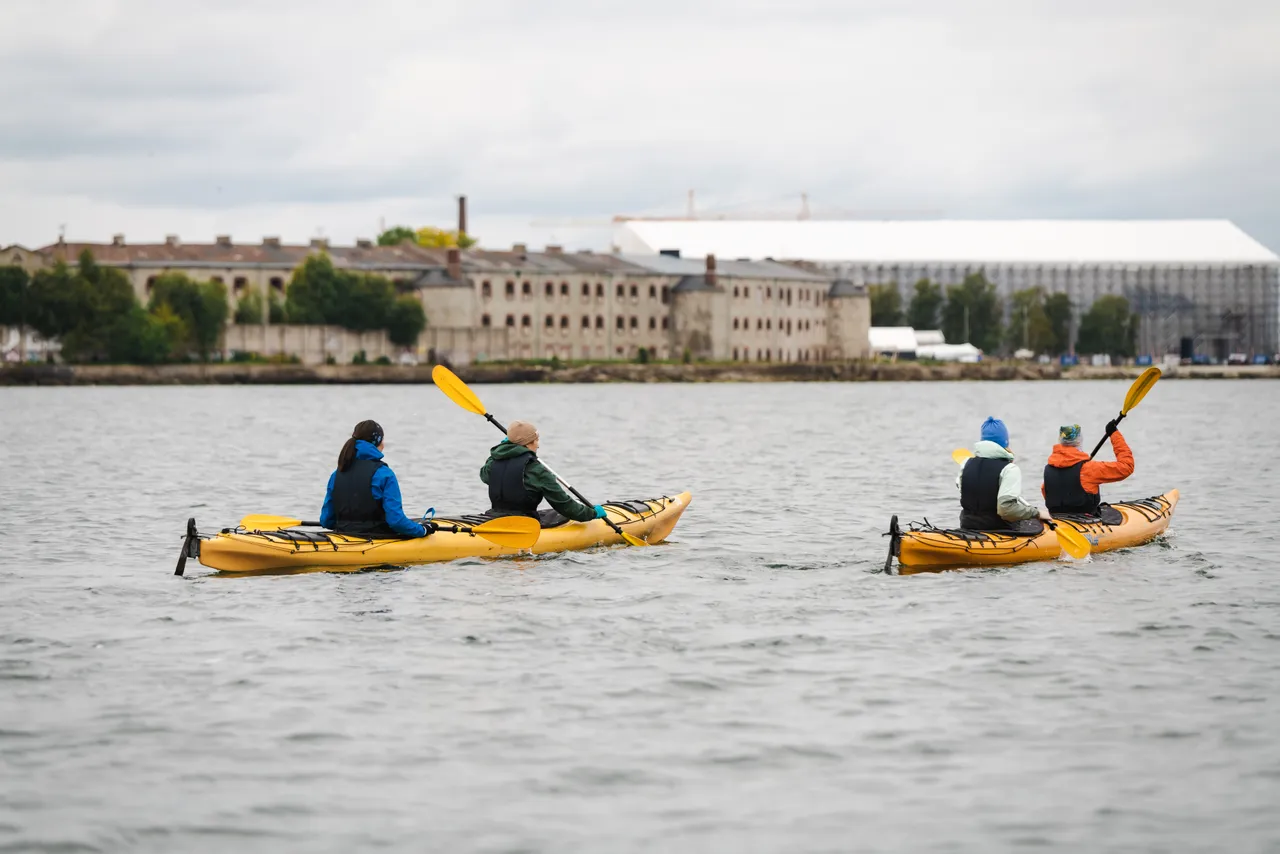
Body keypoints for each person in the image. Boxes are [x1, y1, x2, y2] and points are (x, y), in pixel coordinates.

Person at [480, 420, 607, 524]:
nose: (538, 445)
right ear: (528, 444)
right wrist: (592, 513)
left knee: (550, 513)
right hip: (525, 524)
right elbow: (566, 507)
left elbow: (484, 476)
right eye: (536, 440)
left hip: (494, 518)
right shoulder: (537, 470)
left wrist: (501, 450)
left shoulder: (493, 463)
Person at [320, 419, 430, 538]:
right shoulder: (384, 474)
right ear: (378, 442)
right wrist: (422, 530)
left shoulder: (337, 474)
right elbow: (396, 521)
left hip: (342, 537)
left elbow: (326, 521)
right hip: (377, 539)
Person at [956, 416, 1052, 530]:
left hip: (967, 525)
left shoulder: (966, 464)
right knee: (1031, 521)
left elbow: (965, 489)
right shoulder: (1009, 469)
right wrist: (1037, 513)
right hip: (999, 529)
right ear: (1005, 442)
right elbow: (1006, 510)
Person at [1041, 421, 1134, 516]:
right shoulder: (1088, 468)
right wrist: (1114, 434)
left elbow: (1045, 491)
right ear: (1079, 440)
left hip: (1057, 519)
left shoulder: (1049, 468)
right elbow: (1126, 466)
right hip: (1085, 520)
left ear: (1060, 441)